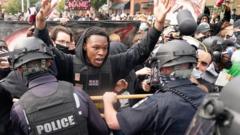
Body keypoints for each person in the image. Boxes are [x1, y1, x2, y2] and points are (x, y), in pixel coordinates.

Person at [34, 0, 171, 96]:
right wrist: (40, 23)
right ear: (85, 46)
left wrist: (158, 25)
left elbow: (140, 51)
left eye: (105, 48)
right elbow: (47, 48)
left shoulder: (114, 63)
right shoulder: (69, 62)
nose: (101, 53)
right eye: (96, 48)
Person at [103, 40, 206, 135]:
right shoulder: (207, 97)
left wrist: (107, 100)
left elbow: (114, 122)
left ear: (164, 68)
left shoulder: (156, 103)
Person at [9, 37, 108, 135]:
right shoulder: (77, 94)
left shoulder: (19, 110)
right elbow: (102, 130)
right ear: (49, 62)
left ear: (20, 69)